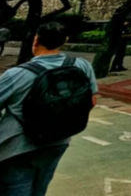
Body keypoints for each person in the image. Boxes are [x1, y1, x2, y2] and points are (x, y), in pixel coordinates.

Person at [0, 22, 98, 196]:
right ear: (65, 40)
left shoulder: (16, 74)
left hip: (18, 147)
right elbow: (92, 100)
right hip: (59, 141)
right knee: (40, 188)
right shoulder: (82, 66)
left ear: (35, 40)